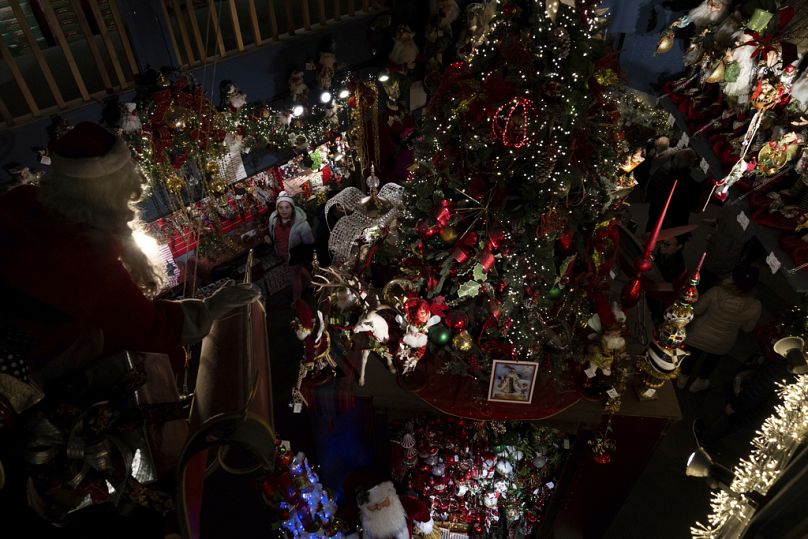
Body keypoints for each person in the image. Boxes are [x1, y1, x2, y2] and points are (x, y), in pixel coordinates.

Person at [0, 122, 259, 527]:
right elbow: (148, 327)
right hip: (42, 382)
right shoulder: (85, 261)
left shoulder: (22, 201)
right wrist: (208, 309)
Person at [678, 264, 762, 392]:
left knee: (692, 356)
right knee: (711, 361)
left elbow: (698, 310)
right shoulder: (755, 306)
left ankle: (682, 379)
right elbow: (747, 329)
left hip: (699, 334)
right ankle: (698, 383)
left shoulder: (716, 291)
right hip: (723, 342)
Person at [266, 192, 315, 301]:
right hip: (283, 253)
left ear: (292, 208)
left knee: (294, 276)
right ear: (277, 209)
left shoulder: (301, 225)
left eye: (287, 207)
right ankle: (311, 283)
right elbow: (272, 232)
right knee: (298, 270)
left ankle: (297, 300)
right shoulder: (274, 219)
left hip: (295, 255)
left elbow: (309, 242)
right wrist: (270, 239)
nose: (284, 210)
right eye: (281, 207)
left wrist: (306, 257)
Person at [646, 148, 702, 232]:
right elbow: (691, 206)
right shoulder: (688, 183)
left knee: (649, 233)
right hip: (672, 220)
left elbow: (650, 188)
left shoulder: (662, 169)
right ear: (690, 164)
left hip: (655, 211)